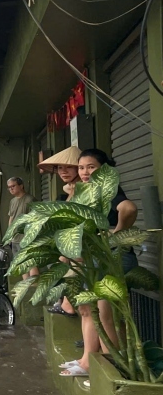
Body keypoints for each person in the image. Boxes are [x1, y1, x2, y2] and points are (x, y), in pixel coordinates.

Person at [62, 149, 138, 378]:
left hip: (112, 259)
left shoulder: (108, 189)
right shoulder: (88, 192)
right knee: (88, 309)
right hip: (94, 261)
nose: (85, 172)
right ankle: (88, 361)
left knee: (106, 315)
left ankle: (113, 369)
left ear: (104, 169)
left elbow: (129, 208)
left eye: (91, 167)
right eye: (81, 167)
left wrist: (116, 236)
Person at [39, 147, 82, 315]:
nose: (63, 171)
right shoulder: (66, 193)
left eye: (69, 167)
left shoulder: (86, 191)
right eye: (59, 168)